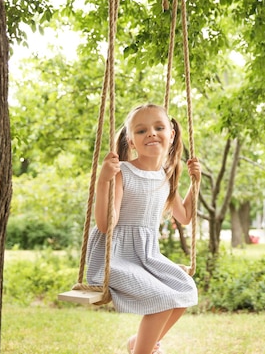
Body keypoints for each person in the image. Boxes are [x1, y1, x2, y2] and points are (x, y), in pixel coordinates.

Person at [86, 103, 200, 354]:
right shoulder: (121, 172)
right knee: (161, 299)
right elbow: (106, 225)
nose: (151, 133)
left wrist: (195, 183)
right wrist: (104, 180)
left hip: (147, 256)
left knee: (185, 289)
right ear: (131, 141)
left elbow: (185, 216)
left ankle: (139, 344)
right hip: (115, 256)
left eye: (158, 127)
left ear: (171, 135)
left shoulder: (165, 177)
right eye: (141, 131)